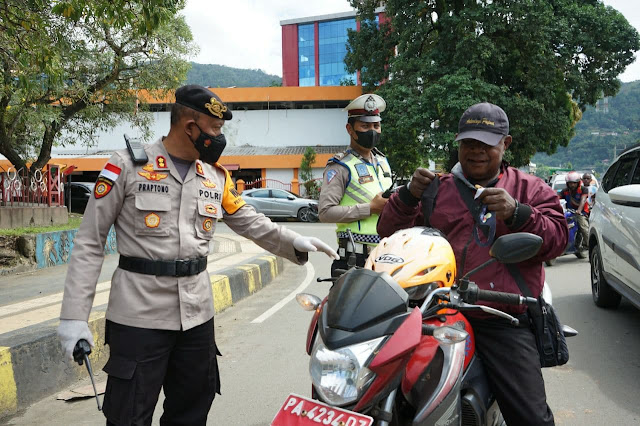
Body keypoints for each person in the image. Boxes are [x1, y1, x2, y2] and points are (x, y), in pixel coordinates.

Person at [56, 84, 339, 426]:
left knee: (192, 411)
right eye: (216, 129)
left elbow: (247, 220)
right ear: (191, 127)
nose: (220, 138)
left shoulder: (214, 176)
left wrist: (294, 241)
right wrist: (74, 318)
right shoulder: (128, 166)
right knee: (128, 414)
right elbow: (89, 242)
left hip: (197, 318)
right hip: (138, 319)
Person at [377, 102, 568, 426]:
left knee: (531, 418)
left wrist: (518, 213)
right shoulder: (437, 189)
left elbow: (558, 240)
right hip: (437, 311)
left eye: (486, 145)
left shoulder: (530, 189)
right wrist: (409, 195)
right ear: (458, 144)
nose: (476, 151)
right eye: (469, 144)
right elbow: (389, 233)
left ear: (505, 144)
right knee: (378, 385)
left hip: (501, 316)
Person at [318, 93, 392, 276]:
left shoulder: (383, 162)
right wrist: (370, 208)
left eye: (376, 125)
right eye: (365, 126)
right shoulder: (340, 167)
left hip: (386, 257)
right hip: (354, 260)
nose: (372, 131)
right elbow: (325, 212)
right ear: (350, 129)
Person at [561, 171, 589, 248]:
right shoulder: (565, 191)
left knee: (584, 227)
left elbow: (583, 200)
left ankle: (588, 245)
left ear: (578, 182)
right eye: (570, 183)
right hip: (568, 212)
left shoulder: (584, 190)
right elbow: (556, 198)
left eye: (574, 183)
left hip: (581, 213)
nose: (572, 185)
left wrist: (579, 210)